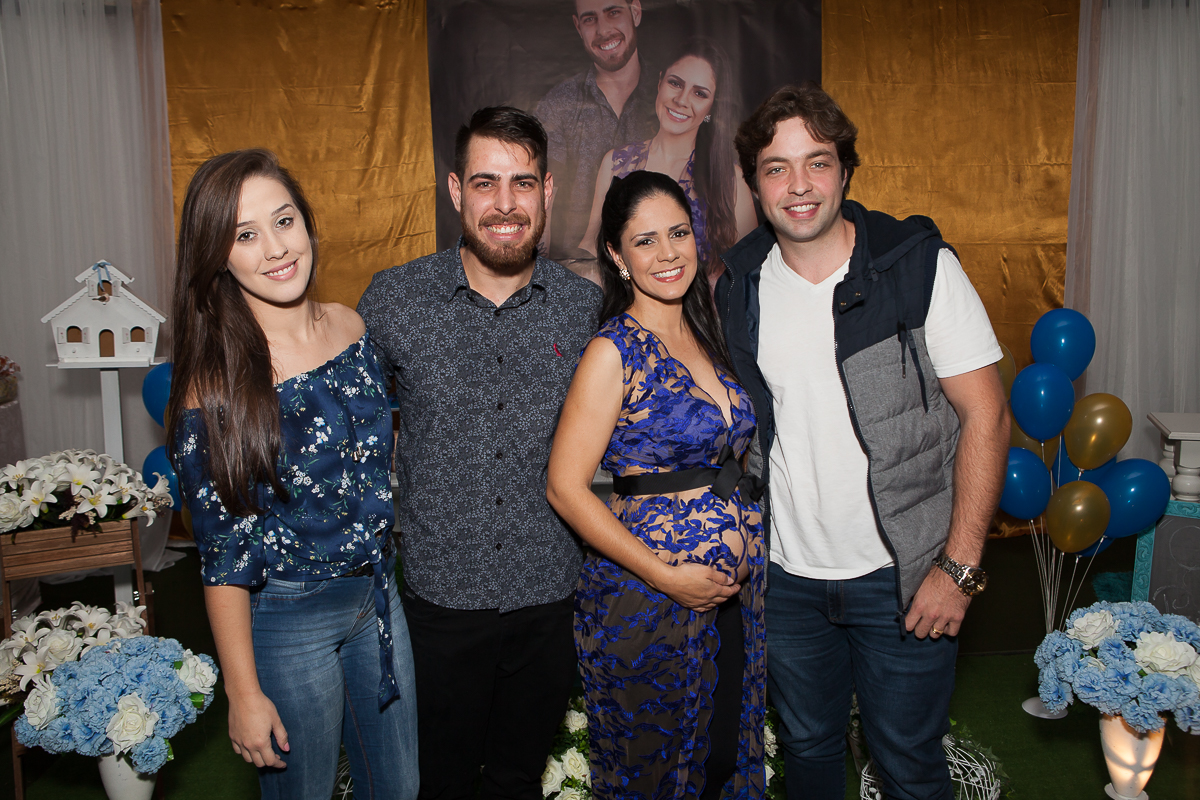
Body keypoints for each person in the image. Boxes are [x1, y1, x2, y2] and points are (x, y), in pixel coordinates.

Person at [716, 84, 1010, 800]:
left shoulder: (917, 265)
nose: (799, 185)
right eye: (777, 168)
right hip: (786, 581)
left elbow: (988, 417)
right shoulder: (739, 284)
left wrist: (959, 567)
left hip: (903, 578)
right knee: (809, 750)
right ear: (754, 184)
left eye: (816, 162)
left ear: (846, 171)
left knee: (908, 762)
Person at [357, 107, 602, 799]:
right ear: (456, 189)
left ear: (548, 192)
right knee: (439, 780)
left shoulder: (584, 310)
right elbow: (348, 436)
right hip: (439, 599)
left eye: (522, 183)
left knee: (519, 778)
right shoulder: (395, 299)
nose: (504, 204)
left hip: (548, 597)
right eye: (486, 182)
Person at [166, 149, 418, 800]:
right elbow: (221, 556)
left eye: (284, 221)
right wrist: (243, 692)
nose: (275, 248)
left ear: (307, 223)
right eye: (245, 235)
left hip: (378, 595)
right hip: (287, 614)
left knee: (399, 787)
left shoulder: (352, 326)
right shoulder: (214, 386)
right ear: (218, 255)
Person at [547, 170, 766, 797]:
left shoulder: (710, 334)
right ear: (617, 256)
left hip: (735, 597)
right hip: (647, 600)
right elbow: (564, 486)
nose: (668, 253)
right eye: (645, 241)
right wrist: (667, 576)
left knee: (722, 761)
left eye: (678, 233)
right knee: (655, 776)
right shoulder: (613, 351)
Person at [577, 38, 757, 287]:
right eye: (675, 83)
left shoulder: (730, 180)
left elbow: (748, 273)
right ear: (660, 82)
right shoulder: (616, 163)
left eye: (699, 93)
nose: (682, 100)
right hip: (626, 314)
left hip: (703, 321)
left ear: (710, 108)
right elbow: (591, 249)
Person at [535, 0, 658, 270]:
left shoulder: (669, 97)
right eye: (590, 19)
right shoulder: (558, 104)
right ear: (578, 27)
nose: (603, 30)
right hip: (577, 273)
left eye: (613, 13)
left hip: (654, 266)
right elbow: (543, 197)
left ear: (635, 12)